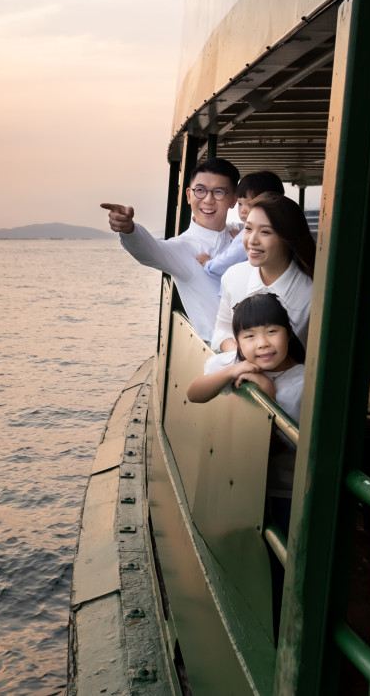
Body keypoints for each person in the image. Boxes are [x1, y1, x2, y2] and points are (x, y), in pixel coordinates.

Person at [186, 292, 306, 634]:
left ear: (288, 332)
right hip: (248, 492)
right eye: (250, 336)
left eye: (272, 331)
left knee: (282, 572)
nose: (262, 344)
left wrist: (266, 394)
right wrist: (233, 370)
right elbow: (194, 392)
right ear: (237, 341)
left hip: (285, 492)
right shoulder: (239, 363)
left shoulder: (302, 381)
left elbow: (275, 450)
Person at [101, 158, 240, 342]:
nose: (208, 199)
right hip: (221, 355)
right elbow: (149, 250)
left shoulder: (243, 233)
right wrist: (129, 229)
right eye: (200, 190)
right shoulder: (182, 248)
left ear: (233, 200)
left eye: (219, 192)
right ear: (189, 195)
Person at [211, 194, 314, 352]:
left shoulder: (311, 293)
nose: (252, 240)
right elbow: (221, 331)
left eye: (265, 232)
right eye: (248, 228)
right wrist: (243, 358)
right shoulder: (233, 276)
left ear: (287, 238)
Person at [196, 170, 286, 282]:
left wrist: (207, 264)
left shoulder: (247, 234)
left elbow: (226, 262)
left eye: (250, 204)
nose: (243, 210)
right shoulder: (284, 227)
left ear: (270, 202)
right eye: (240, 204)